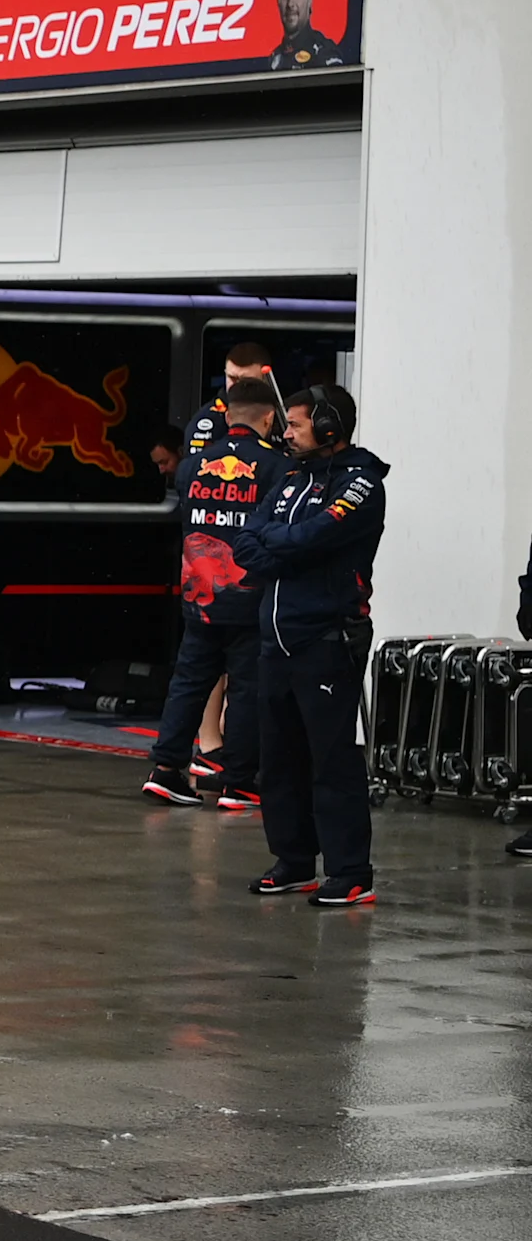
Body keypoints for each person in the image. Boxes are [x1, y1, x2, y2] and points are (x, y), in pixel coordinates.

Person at [233, 384, 386, 907]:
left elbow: (317, 536)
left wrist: (279, 544)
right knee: (277, 759)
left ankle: (351, 871)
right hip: (275, 639)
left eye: (295, 425)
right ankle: (294, 861)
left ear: (327, 429)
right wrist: (281, 545)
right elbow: (248, 541)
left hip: (326, 638)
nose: (285, 433)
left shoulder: (362, 482)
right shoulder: (290, 475)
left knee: (332, 760)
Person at [143, 376, 283, 808]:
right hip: (249, 597)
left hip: (198, 595)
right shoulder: (278, 466)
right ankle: (239, 783)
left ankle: (165, 769)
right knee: (244, 689)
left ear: (225, 415)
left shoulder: (190, 467)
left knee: (188, 683)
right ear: (269, 417)